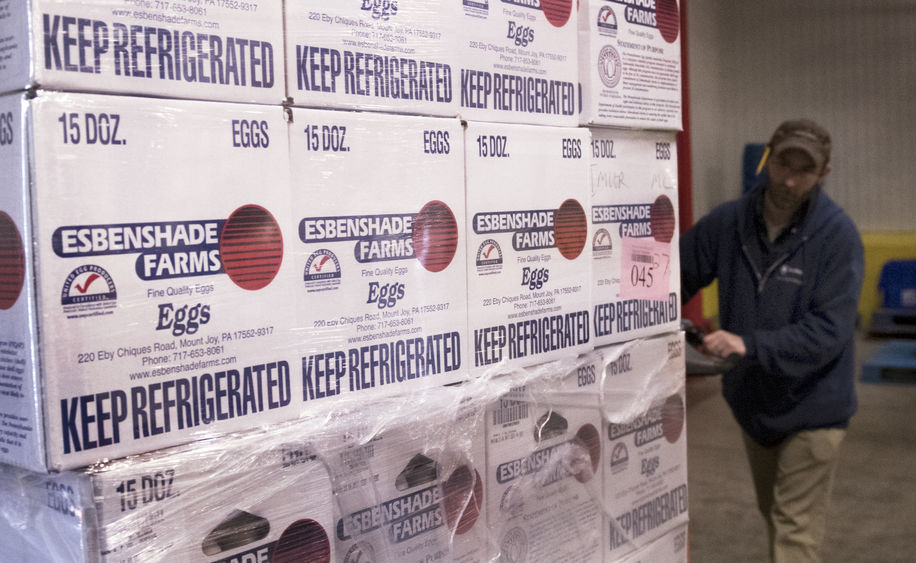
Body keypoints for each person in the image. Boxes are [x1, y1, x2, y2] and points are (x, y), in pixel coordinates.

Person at [680, 119, 864, 562]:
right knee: (775, 513)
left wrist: (751, 345)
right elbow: (674, 276)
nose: (789, 178)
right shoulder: (729, 223)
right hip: (755, 405)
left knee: (793, 531)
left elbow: (830, 331)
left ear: (824, 173)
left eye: (804, 170)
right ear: (768, 155)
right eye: (783, 162)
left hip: (814, 406)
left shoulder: (837, 237)